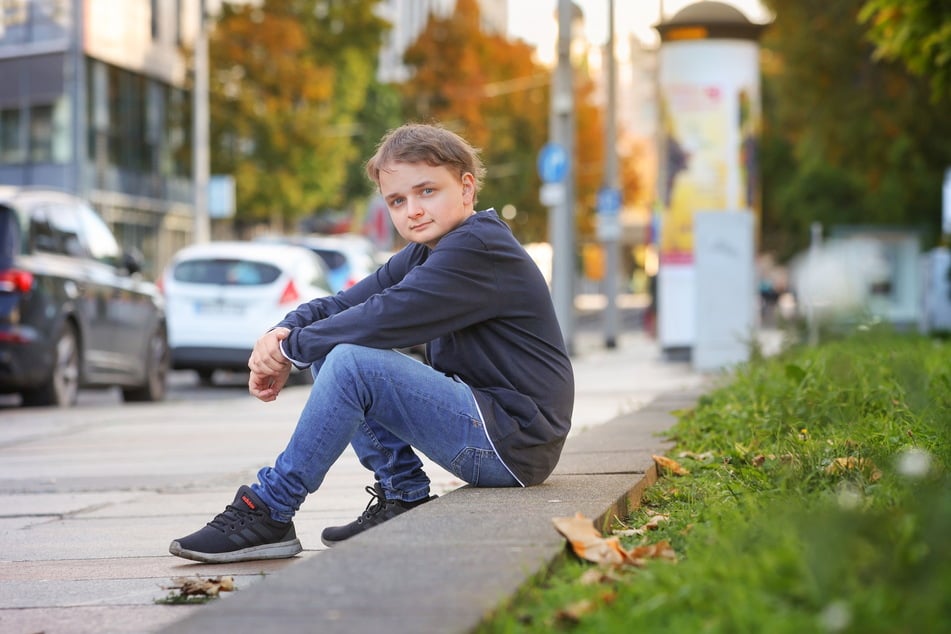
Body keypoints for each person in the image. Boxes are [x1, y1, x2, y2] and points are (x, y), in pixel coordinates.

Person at [169, 123, 575, 563]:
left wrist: (291, 351)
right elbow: (344, 305)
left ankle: (271, 509)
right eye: (398, 201)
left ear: (466, 188)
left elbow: (385, 316)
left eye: (427, 192)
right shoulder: (429, 249)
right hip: (496, 431)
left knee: (352, 361)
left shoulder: (479, 247)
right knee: (337, 346)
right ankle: (403, 496)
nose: (413, 211)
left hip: (513, 441)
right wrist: (280, 333)